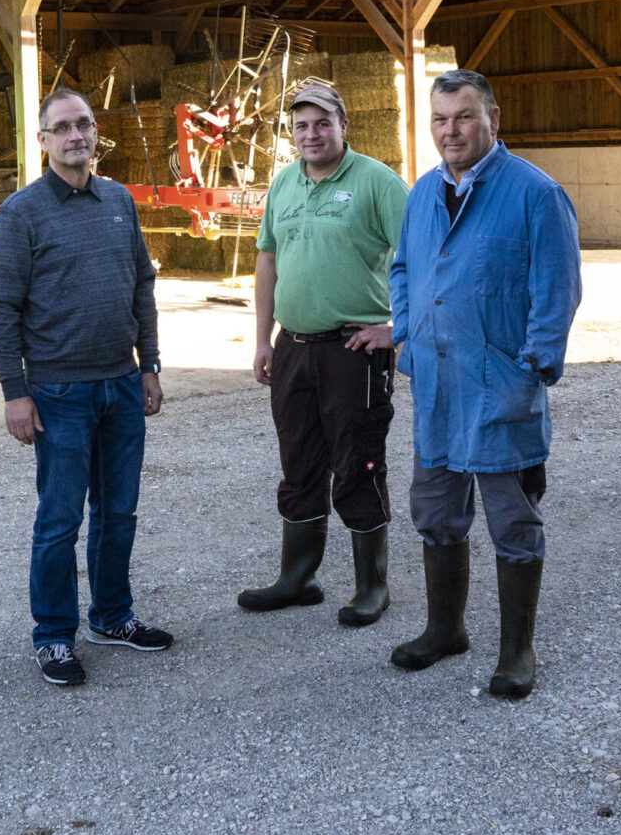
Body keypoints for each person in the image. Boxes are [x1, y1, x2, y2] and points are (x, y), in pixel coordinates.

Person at [387, 70, 582, 698]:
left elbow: (558, 288)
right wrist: (407, 338)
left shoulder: (534, 193)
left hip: (500, 385)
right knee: (436, 510)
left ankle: (516, 652)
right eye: (441, 120)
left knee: (511, 519)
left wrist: (535, 364)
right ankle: (446, 631)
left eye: (464, 117)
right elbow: (402, 269)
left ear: (492, 118)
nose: (451, 131)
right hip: (437, 386)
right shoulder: (422, 193)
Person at [0, 88, 172, 687]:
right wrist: (15, 391)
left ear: (95, 134)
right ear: (42, 141)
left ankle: (112, 617)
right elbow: (3, 308)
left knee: (118, 512)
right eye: (62, 128)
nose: (76, 136)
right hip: (58, 394)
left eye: (84, 125)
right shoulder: (22, 213)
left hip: (120, 384)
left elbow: (141, 285)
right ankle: (53, 637)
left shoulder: (119, 199)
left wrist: (150, 365)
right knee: (59, 520)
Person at [238, 80, 409, 626]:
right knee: (299, 462)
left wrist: (396, 329)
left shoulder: (378, 182)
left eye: (321, 124)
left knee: (357, 461)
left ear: (343, 125)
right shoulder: (284, 183)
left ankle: (372, 585)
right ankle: (297, 577)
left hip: (352, 350)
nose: (311, 135)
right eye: (301, 126)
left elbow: (422, 254)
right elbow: (267, 258)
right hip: (294, 347)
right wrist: (264, 337)